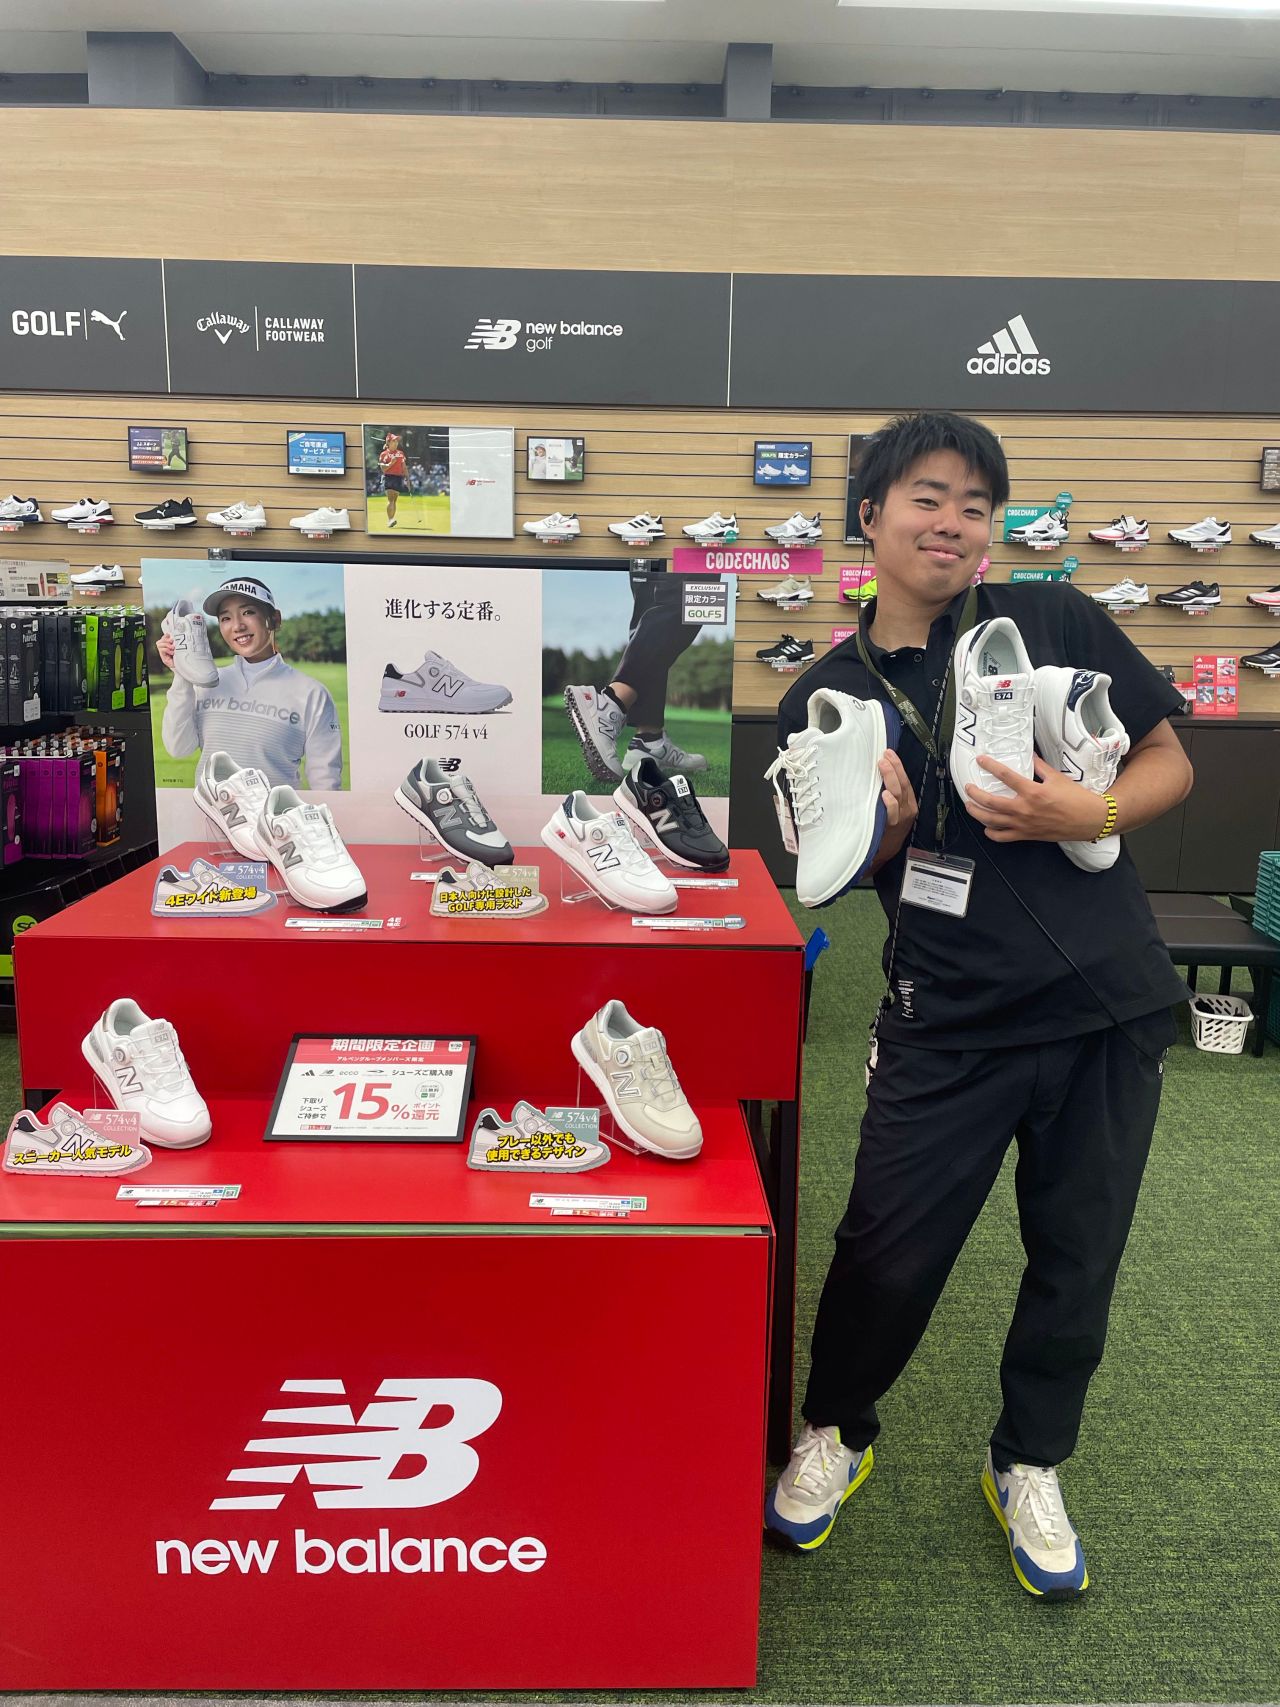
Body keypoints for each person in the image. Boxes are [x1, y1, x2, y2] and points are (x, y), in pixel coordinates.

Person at [764, 411, 1193, 1598]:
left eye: (974, 505)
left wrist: (1085, 812)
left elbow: (1166, 761)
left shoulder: (1051, 622)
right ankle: (835, 1429)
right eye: (927, 497)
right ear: (868, 516)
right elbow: (822, 868)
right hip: (943, 1015)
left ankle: (1028, 1461)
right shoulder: (824, 692)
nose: (951, 522)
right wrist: (880, 832)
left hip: (1103, 1005)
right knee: (884, 1251)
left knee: (1076, 1255)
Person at [159, 575, 342, 790]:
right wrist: (182, 671)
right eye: (225, 618)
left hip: (277, 811)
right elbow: (179, 748)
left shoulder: (312, 693)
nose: (237, 626)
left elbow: (325, 780)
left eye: (248, 612)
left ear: (275, 619)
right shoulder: (206, 682)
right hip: (210, 810)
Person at [563, 568, 709, 782]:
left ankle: (649, 741)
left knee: (651, 608)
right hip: (687, 550)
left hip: (649, 551)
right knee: (689, 603)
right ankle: (611, 704)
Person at [378, 431, 408, 528]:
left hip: (399, 478)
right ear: (389, 442)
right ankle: (390, 520)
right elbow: (383, 468)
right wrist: (391, 463)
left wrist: (407, 479)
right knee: (391, 500)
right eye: (394, 441)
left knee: (394, 501)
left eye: (396, 441)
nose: (396, 443)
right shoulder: (384, 454)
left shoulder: (400, 453)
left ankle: (391, 519)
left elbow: (404, 467)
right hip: (389, 477)